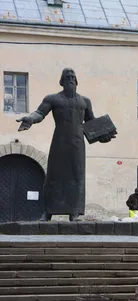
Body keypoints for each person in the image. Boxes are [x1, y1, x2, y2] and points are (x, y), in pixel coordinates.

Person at [16, 68, 114, 221]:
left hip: (77, 143)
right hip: (60, 141)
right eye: (67, 76)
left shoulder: (85, 101)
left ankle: (74, 212)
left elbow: (91, 123)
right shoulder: (53, 99)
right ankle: (48, 212)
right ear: (61, 81)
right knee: (54, 175)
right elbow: (40, 113)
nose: (70, 79)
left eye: (72, 76)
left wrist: (103, 136)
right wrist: (30, 118)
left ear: (76, 80)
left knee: (77, 175)